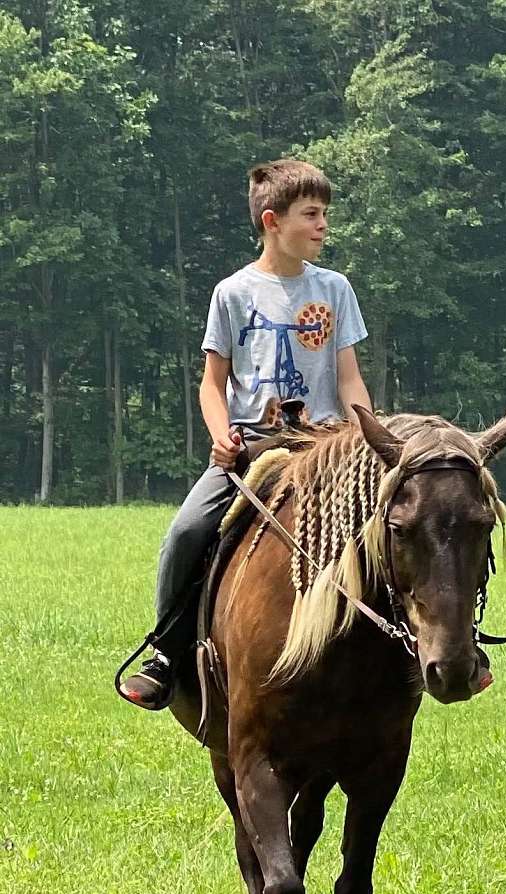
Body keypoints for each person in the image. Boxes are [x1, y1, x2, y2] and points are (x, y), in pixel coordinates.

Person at [119, 158, 373, 710]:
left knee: (405, 528)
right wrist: (221, 435)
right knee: (186, 532)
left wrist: (367, 441)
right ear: (271, 220)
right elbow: (212, 384)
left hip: (326, 449)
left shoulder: (335, 289)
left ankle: (445, 648)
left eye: (325, 213)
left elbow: (349, 377)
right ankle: (166, 654)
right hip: (252, 450)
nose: (323, 224)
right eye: (311, 214)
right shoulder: (232, 293)